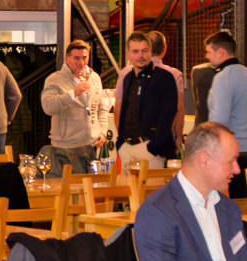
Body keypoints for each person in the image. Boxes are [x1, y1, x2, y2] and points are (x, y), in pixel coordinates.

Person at [130, 122, 247, 261]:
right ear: (204, 160)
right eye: (231, 161)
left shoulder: (230, 210)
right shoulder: (157, 212)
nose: (237, 169)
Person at [199, 31, 247, 193]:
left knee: (230, 203)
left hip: (231, 156)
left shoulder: (224, 78)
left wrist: (211, 151)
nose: (207, 57)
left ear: (221, 52)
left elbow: (219, 121)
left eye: (209, 52)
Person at [114, 35, 179, 163]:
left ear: (150, 52)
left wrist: (153, 147)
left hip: (150, 150)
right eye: (135, 51)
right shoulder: (127, 78)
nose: (141, 56)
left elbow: (169, 114)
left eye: (145, 51)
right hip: (126, 149)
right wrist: (121, 144)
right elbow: (122, 111)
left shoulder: (164, 77)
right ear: (128, 54)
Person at [40, 40, 102, 172]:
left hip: (91, 146)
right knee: (68, 184)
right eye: (76, 58)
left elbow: (101, 107)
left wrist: (101, 129)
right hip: (65, 147)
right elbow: (48, 107)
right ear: (66, 59)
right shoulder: (54, 79)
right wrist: (74, 93)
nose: (81, 62)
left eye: (84, 57)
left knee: (91, 184)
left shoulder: (95, 78)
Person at [146, 31, 187, 145]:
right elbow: (178, 108)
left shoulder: (130, 73)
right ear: (165, 48)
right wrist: (178, 138)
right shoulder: (174, 75)